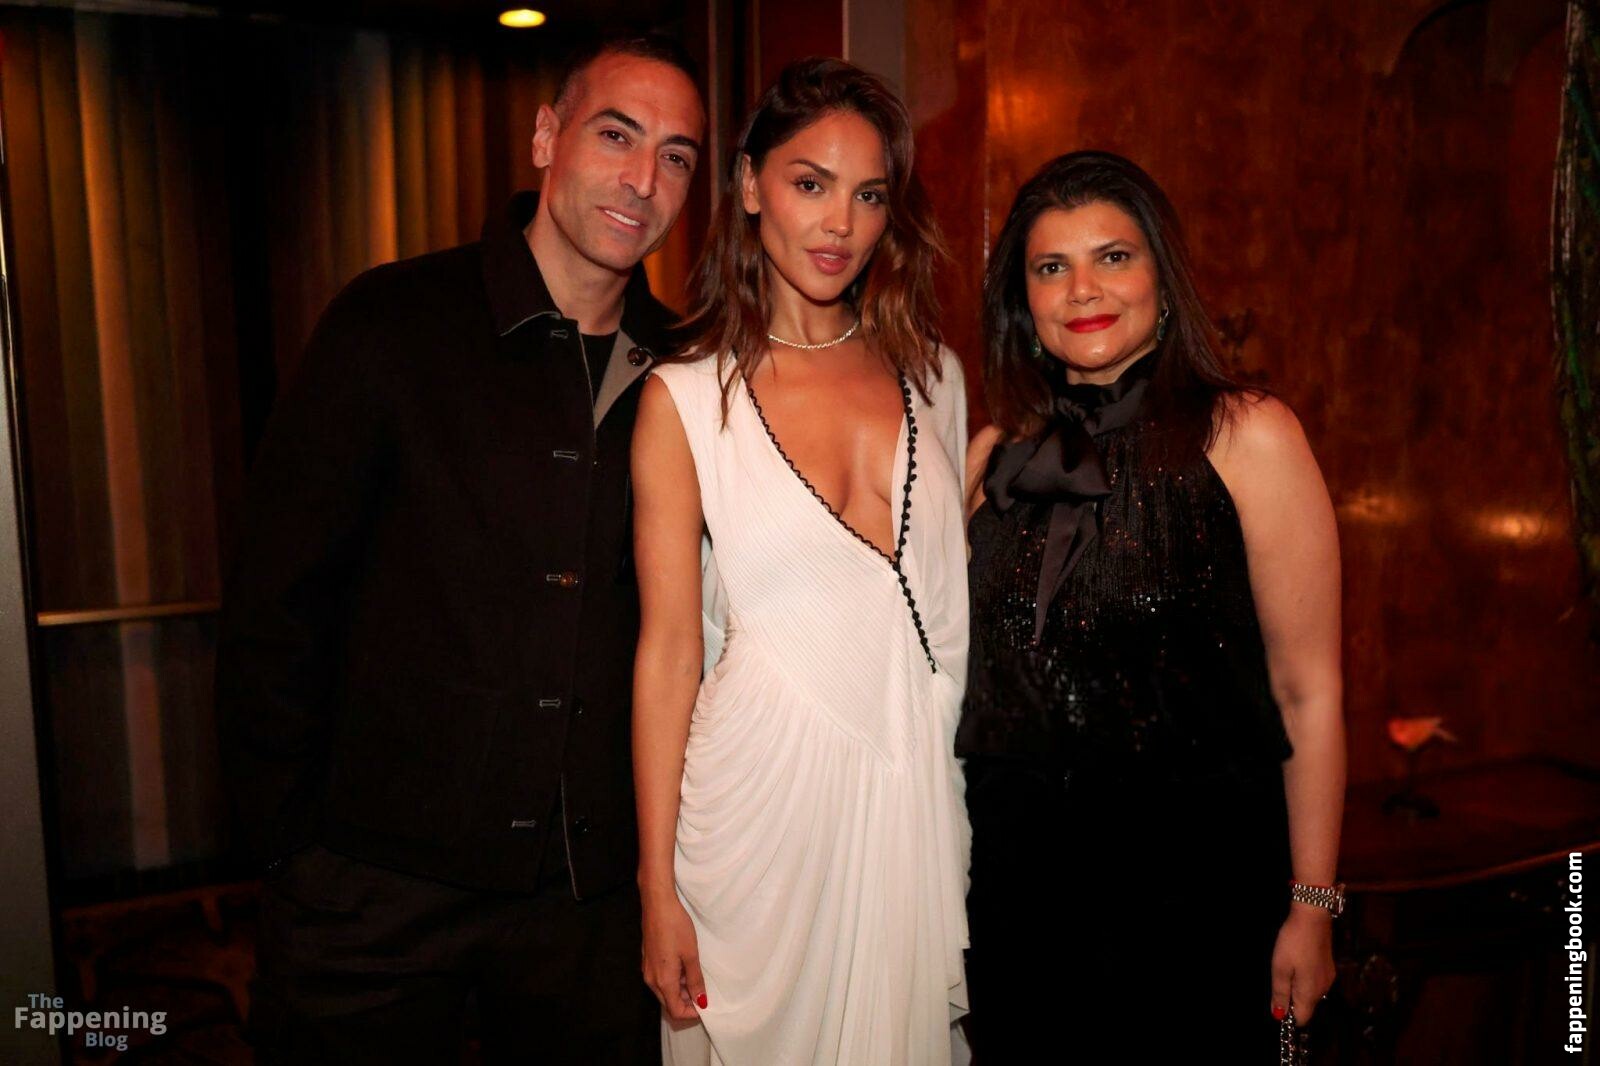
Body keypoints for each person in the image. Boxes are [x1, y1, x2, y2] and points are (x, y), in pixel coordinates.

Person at [215, 34, 705, 1065]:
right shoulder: (389, 324)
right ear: (546, 136)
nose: (642, 179)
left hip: (585, 912)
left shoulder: (687, 373)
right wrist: (291, 851)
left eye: (675, 156)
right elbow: (276, 601)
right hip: (373, 894)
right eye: (616, 135)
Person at [959, 151, 1345, 1061]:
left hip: (1196, 901)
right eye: (1051, 267)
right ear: (1023, 301)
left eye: (1113, 257)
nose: (1082, 289)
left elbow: (1309, 691)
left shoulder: (1248, 434)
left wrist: (1313, 905)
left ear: (1162, 281)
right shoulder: (991, 457)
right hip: (1016, 901)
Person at [630, 57, 972, 1066]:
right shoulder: (684, 400)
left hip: (911, 802)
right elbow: (667, 657)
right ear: (748, 185)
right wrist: (656, 887)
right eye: (809, 183)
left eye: (869, 195)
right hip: (755, 825)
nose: (840, 224)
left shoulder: (936, 379)